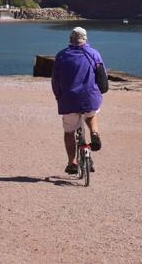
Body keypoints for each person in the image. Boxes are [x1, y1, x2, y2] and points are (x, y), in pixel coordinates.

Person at [51, 27, 106, 175]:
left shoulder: (61, 56)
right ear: (85, 39)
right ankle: (94, 133)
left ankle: (72, 163)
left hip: (68, 100)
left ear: (70, 39)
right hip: (90, 98)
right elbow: (102, 77)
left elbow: (55, 81)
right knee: (91, 114)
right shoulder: (94, 54)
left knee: (69, 132)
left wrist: (58, 95)